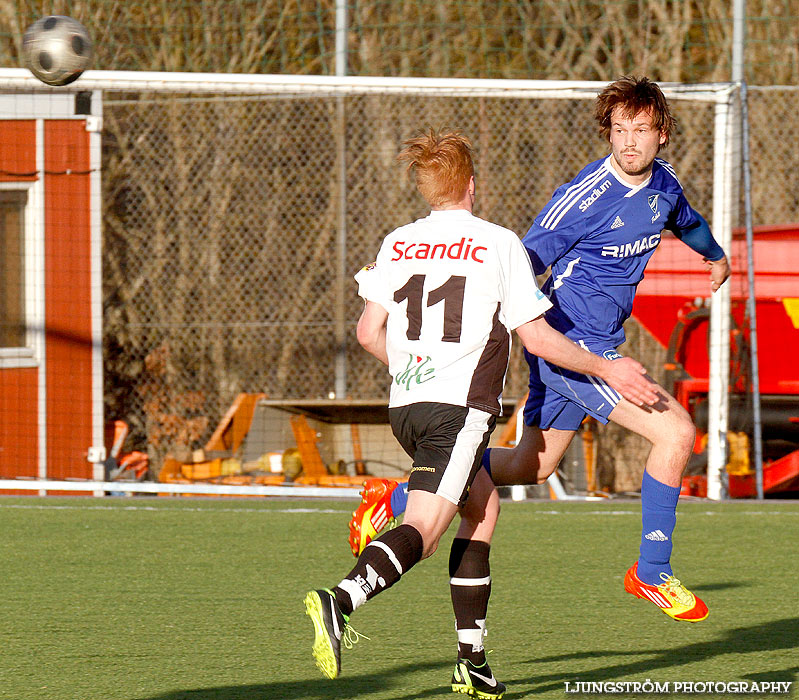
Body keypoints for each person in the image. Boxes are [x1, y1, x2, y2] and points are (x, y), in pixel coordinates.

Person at [348, 76, 730, 624]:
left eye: (640, 129)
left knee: (534, 465)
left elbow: (684, 220)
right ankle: (651, 571)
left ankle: (402, 497)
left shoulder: (664, 184)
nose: (628, 142)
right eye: (619, 130)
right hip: (568, 343)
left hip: (598, 340)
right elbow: (516, 266)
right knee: (675, 432)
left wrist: (715, 257)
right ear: (608, 134)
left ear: (662, 134)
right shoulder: (582, 199)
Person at [305, 128, 657, 695]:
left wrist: (416, 367)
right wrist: (608, 367)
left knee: (483, 509)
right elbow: (538, 339)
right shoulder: (498, 243)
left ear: (427, 190)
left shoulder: (398, 241)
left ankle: (472, 661)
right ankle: (339, 601)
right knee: (422, 529)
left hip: (407, 407)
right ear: (473, 184)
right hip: (458, 411)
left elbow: (369, 332)